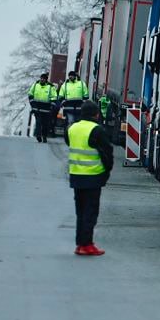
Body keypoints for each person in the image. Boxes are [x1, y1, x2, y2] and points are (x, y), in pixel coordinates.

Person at [68, 101, 113, 256]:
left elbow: (70, 143)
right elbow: (106, 153)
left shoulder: (72, 128)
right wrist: (107, 171)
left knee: (80, 213)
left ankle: (80, 244)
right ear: (96, 114)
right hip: (92, 177)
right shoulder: (97, 130)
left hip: (76, 176)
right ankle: (87, 244)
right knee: (90, 212)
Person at [27, 73, 56, 142]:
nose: (42, 79)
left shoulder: (51, 87)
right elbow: (30, 95)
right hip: (37, 108)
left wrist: (51, 107)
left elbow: (54, 97)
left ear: (46, 80)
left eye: (43, 79)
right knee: (38, 122)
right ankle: (38, 136)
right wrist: (32, 105)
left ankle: (44, 136)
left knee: (45, 124)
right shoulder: (35, 85)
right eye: (41, 78)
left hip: (46, 109)